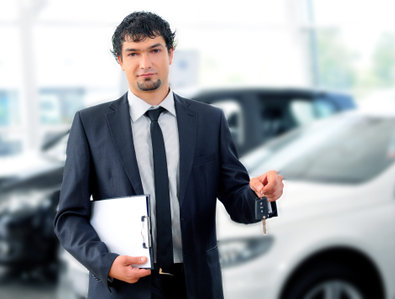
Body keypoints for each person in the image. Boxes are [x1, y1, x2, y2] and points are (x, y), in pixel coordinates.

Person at [54, 11, 283, 299]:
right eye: (133, 53)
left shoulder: (209, 121)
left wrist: (262, 195)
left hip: (195, 284)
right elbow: (70, 217)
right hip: (124, 287)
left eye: (155, 50)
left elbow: (237, 199)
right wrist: (107, 263)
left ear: (170, 53)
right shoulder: (91, 125)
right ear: (120, 61)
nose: (145, 63)